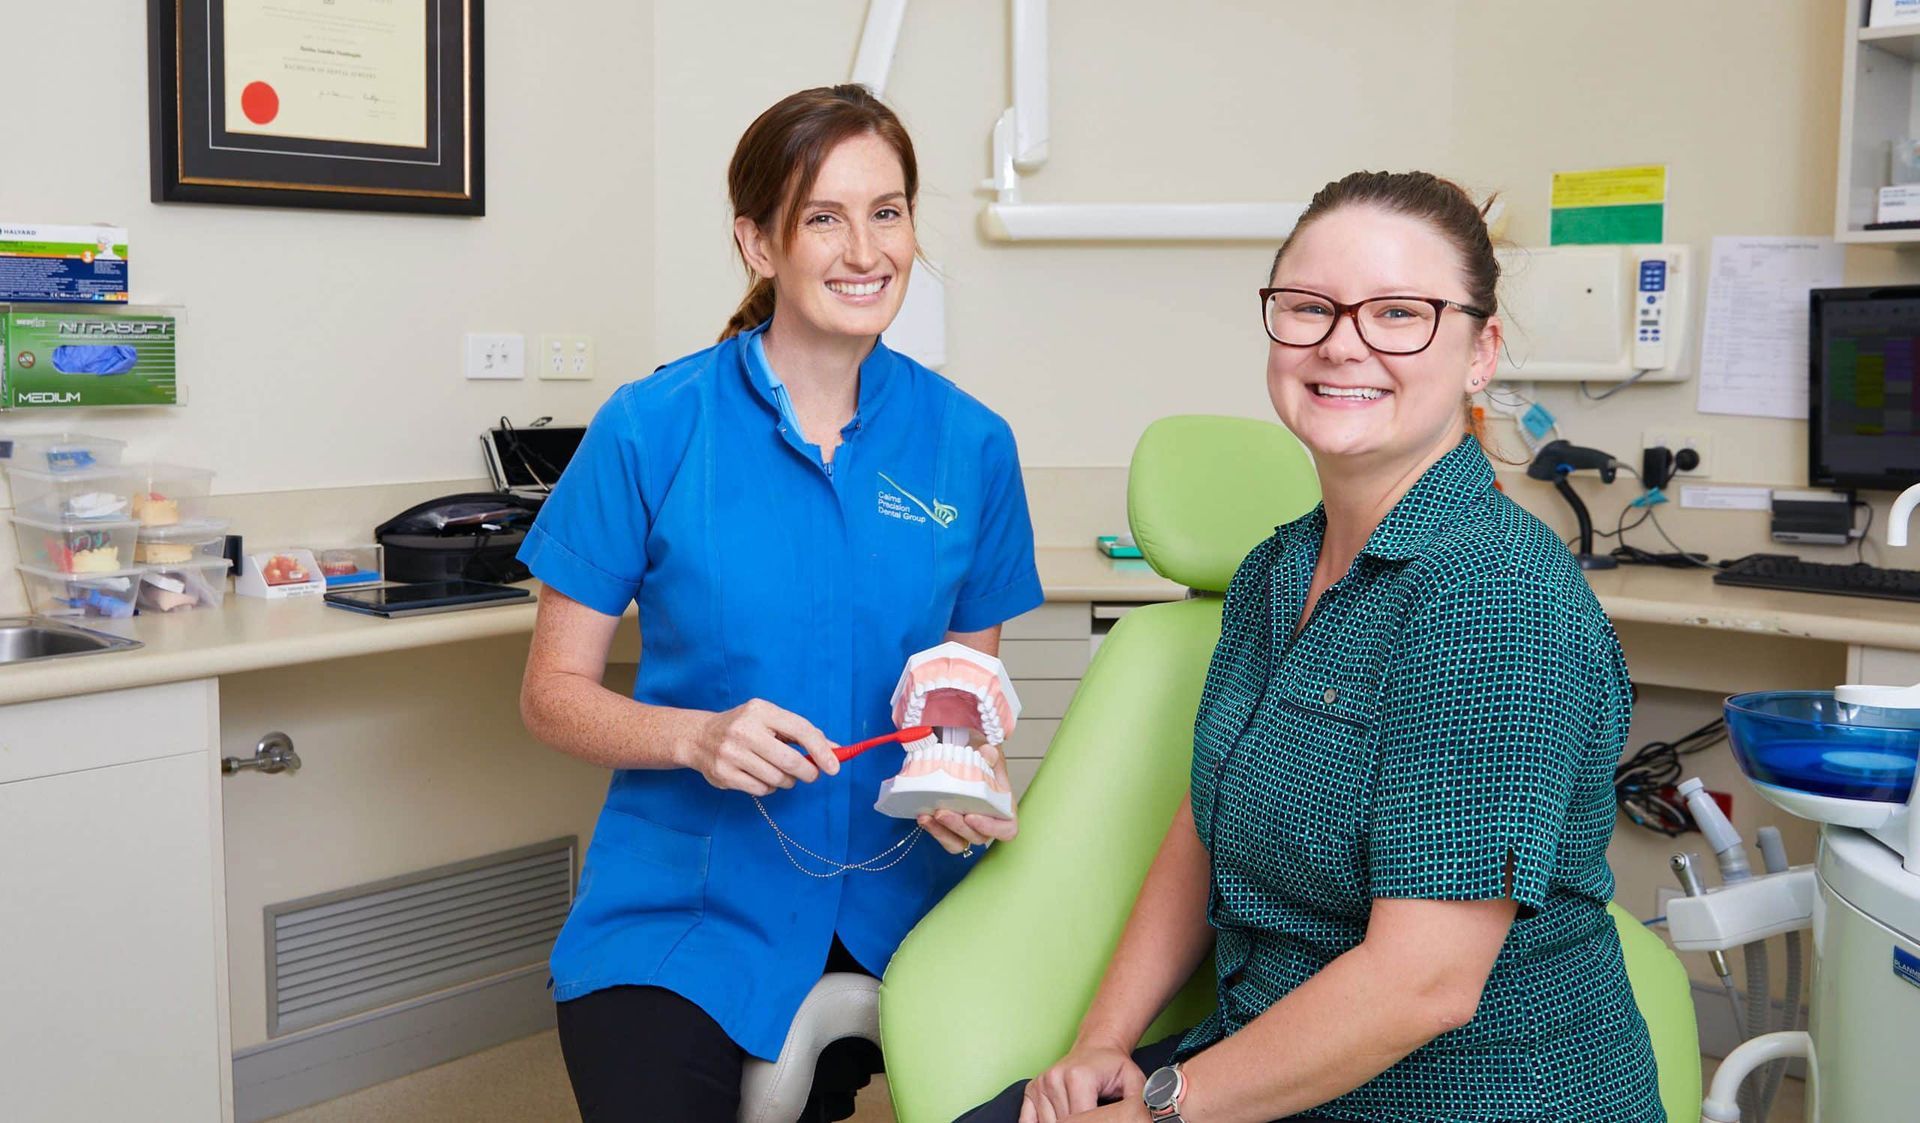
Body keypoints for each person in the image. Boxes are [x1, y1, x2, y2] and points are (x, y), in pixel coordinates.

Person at [960, 171, 1661, 1123]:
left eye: (1400, 313)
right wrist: (1104, 1043)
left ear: (1480, 351)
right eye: (1309, 308)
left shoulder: (1496, 597)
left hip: (1465, 1094)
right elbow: (1209, 817)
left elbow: (1425, 983)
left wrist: (1161, 1110)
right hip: (1258, 1067)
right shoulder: (1275, 571)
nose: (1342, 342)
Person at [518, 84, 1043, 1123]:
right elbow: (550, 695)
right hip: (687, 904)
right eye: (823, 217)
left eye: (887, 212)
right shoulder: (652, 427)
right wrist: (697, 737)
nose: (865, 250)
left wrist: (965, 772)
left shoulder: (970, 444)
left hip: (898, 897)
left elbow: (962, 697)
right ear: (759, 244)